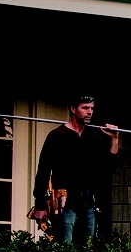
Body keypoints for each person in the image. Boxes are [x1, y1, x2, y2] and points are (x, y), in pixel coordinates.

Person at [32, 95, 120, 243]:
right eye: (85, 108)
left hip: (87, 203)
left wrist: (114, 140)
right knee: (65, 250)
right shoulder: (57, 136)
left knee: (87, 250)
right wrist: (40, 204)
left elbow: (108, 168)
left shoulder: (93, 137)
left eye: (91, 108)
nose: (90, 112)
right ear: (73, 109)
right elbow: (43, 170)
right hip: (65, 203)